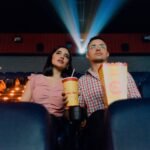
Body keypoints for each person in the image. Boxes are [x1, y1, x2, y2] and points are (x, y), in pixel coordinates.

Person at [78, 36, 141, 150]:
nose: (98, 49)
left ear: (107, 53)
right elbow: (80, 110)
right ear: (87, 55)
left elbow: (136, 102)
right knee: (98, 116)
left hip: (124, 120)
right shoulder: (82, 81)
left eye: (102, 46)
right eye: (93, 46)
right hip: (96, 124)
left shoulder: (123, 74)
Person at [21, 46, 73, 150]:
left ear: (67, 65)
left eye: (66, 56)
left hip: (56, 123)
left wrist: (69, 105)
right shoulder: (35, 79)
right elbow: (23, 106)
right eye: (58, 53)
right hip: (34, 120)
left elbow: (68, 117)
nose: (62, 56)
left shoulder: (68, 84)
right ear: (51, 58)